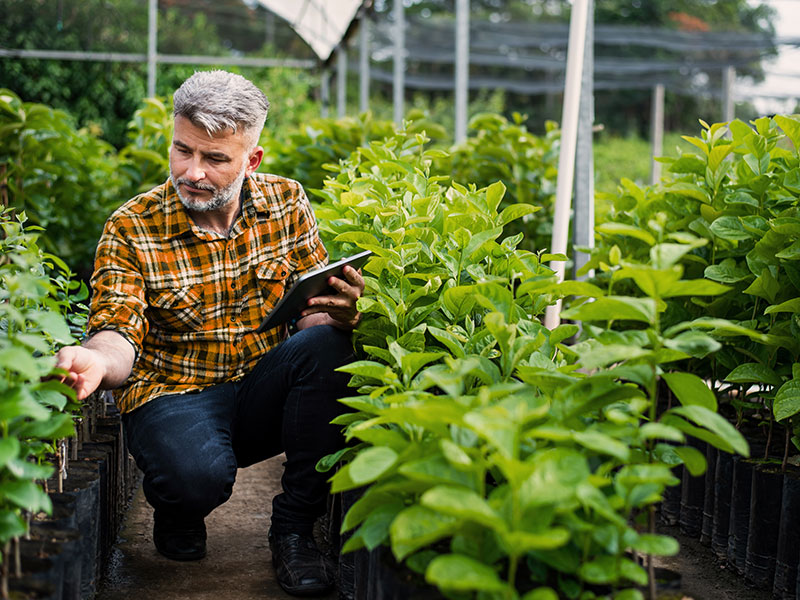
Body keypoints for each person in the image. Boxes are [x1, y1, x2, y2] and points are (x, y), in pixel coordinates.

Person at [55, 70, 364, 598]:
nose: (192, 172)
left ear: (252, 160)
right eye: (182, 150)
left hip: (258, 384)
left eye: (216, 158)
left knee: (330, 346)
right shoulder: (132, 226)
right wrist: (96, 363)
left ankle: (292, 530)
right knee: (194, 477)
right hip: (174, 393)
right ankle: (180, 507)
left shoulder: (287, 204)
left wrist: (336, 314)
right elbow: (118, 330)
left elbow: (310, 316)